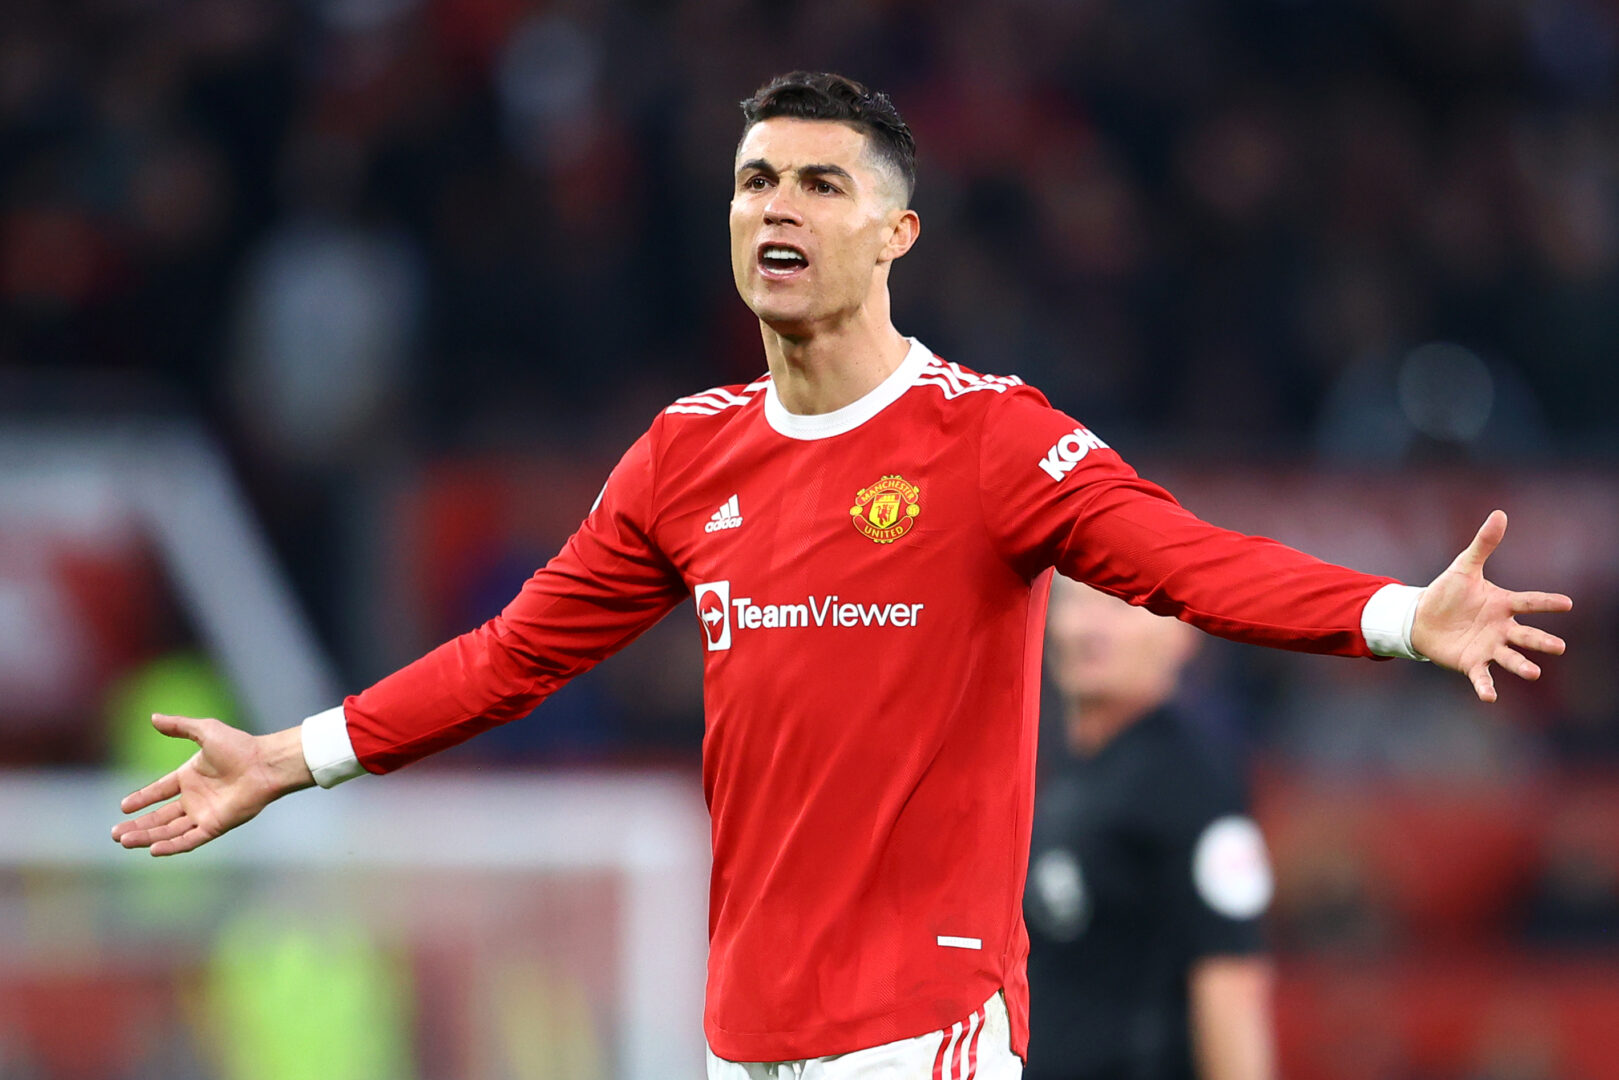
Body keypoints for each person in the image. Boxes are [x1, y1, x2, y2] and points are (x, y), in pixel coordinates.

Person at [112, 72, 1571, 1080]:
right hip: (740, 1034)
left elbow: (1184, 563)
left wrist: (1397, 615)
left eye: (820, 184)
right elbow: (514, 655)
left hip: (923, 1028)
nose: (778, 209)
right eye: (756, 182)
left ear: (894, 234)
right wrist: (291, 757)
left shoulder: (988, 439)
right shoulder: (685, 455)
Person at [1025, 576, 1275, 1080]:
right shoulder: (1061, 772)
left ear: (1182, 633)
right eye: (1075, 604)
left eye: (1118, 608)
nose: (1088, 629)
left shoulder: (1193, 782)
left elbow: (1230, 978)